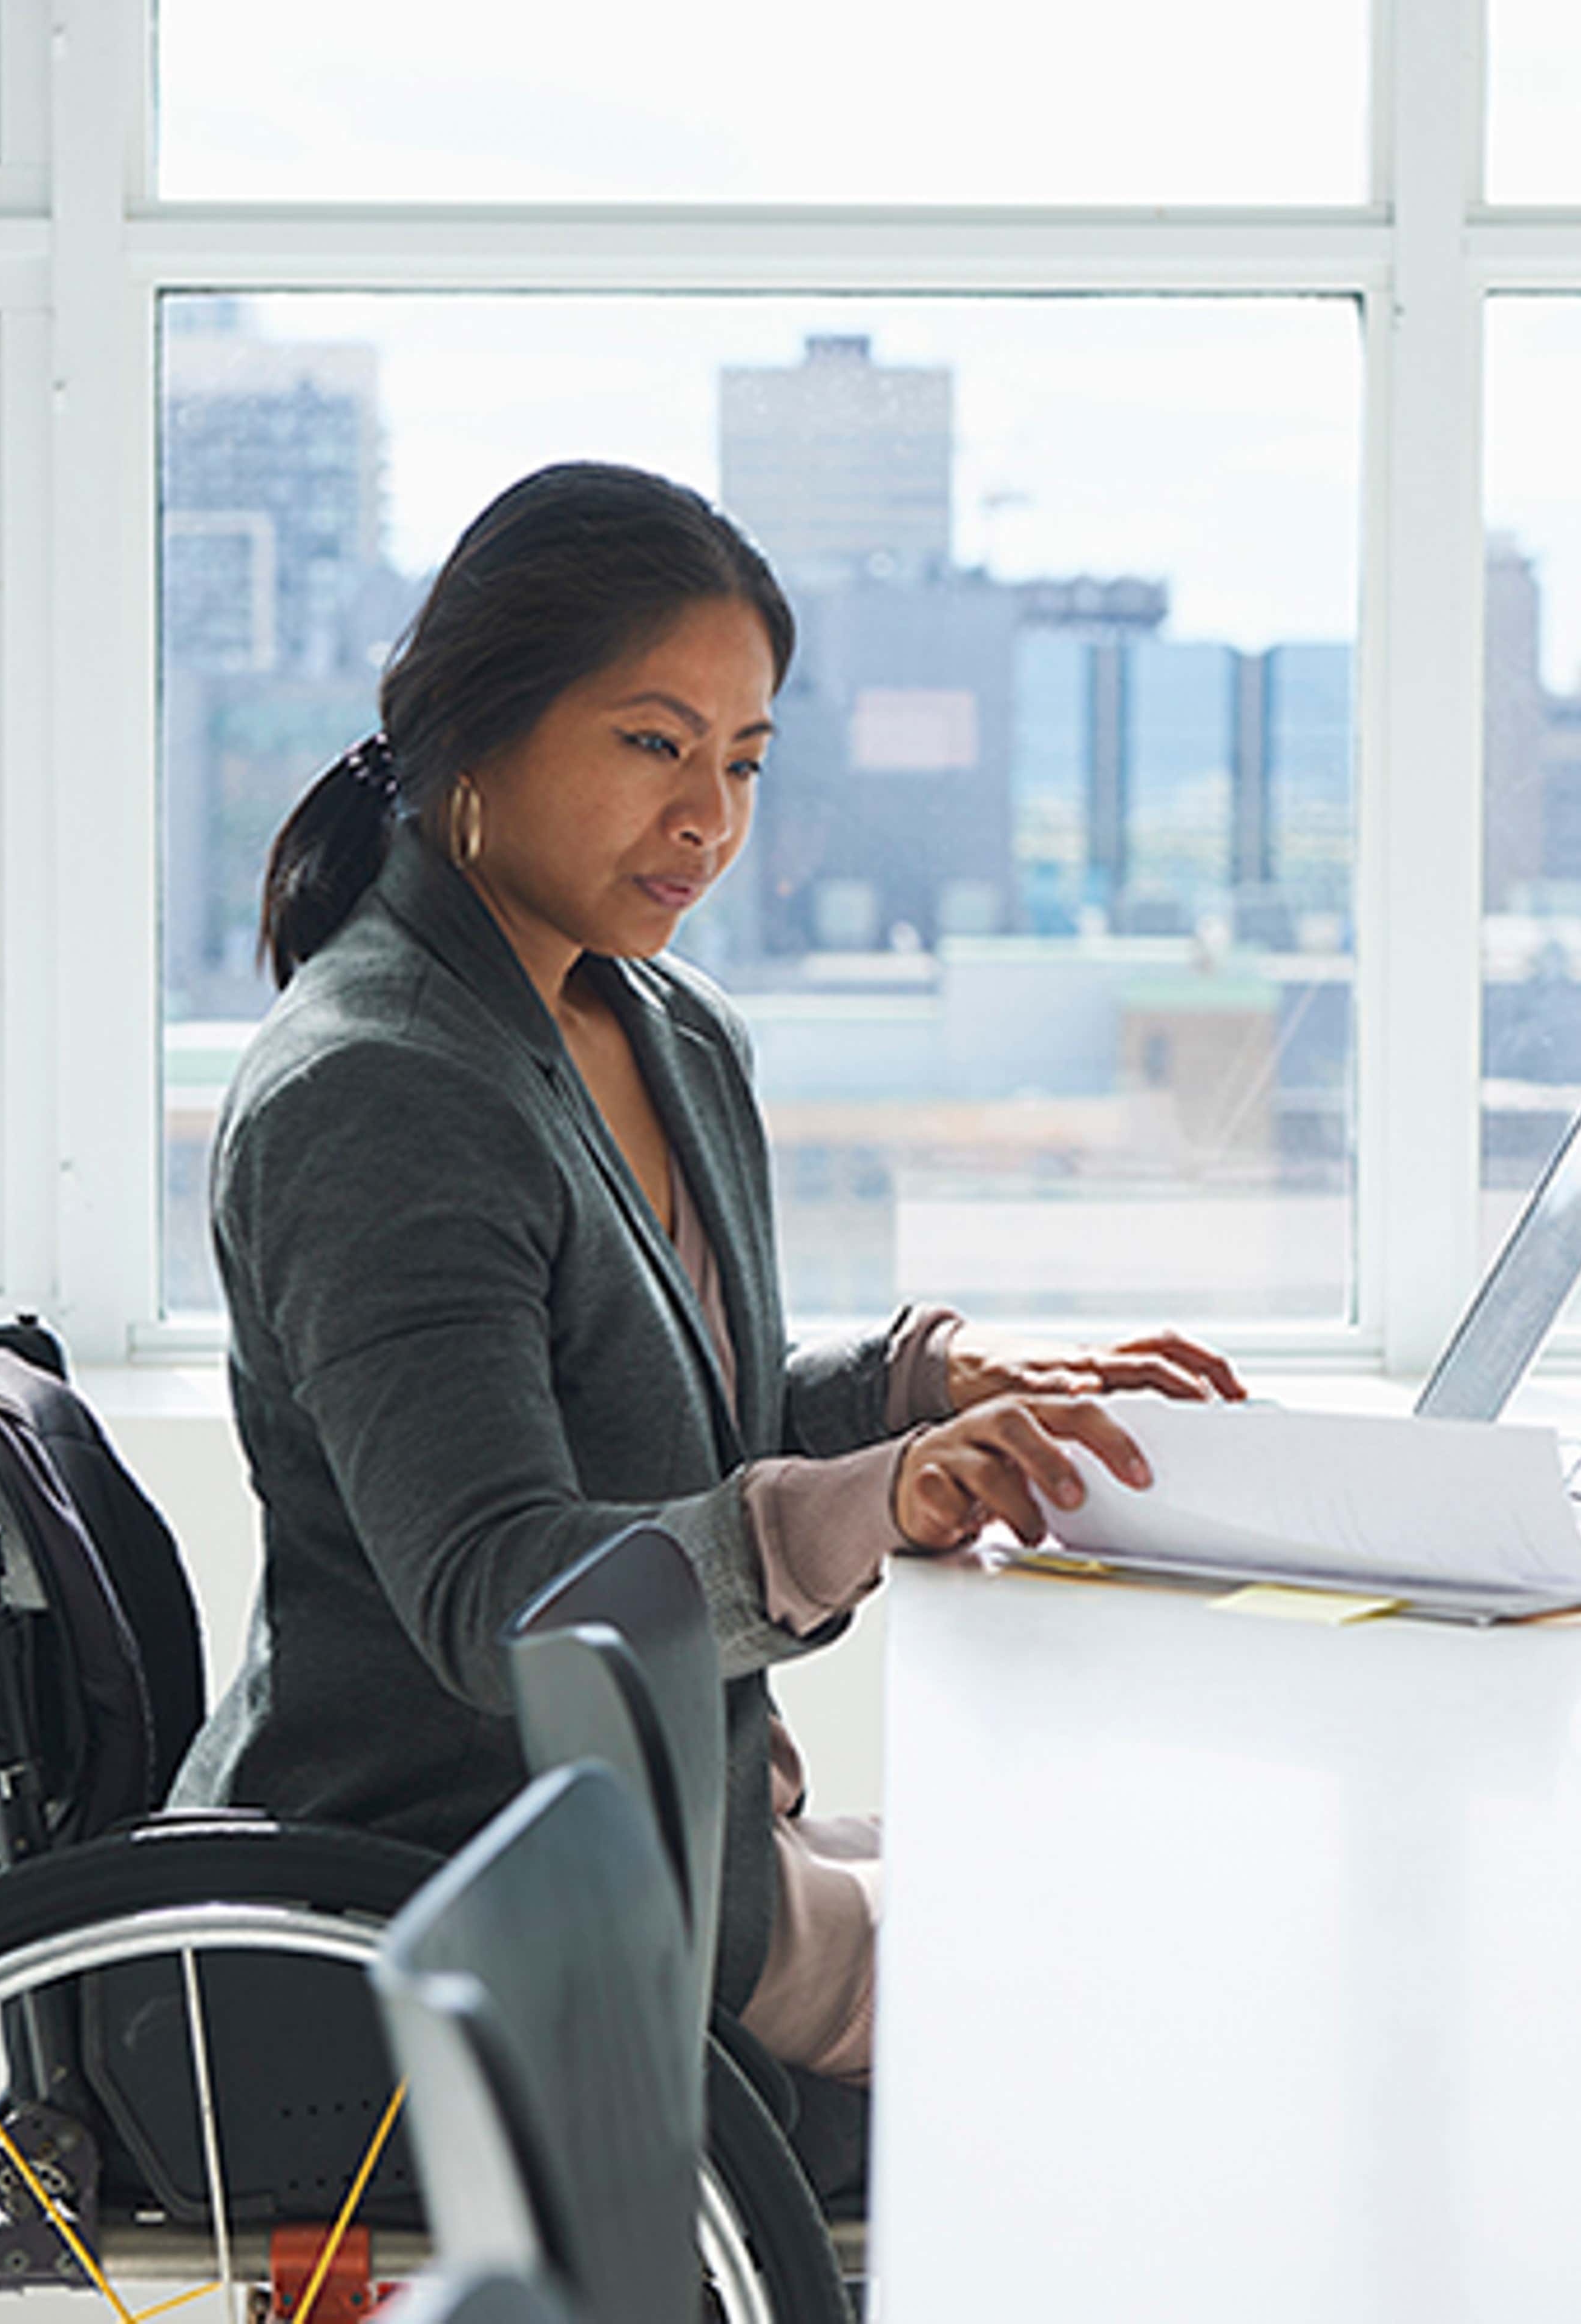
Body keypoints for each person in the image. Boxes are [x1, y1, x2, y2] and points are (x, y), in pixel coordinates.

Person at [170, 461, 1243, 2194]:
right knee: (1163, 2015)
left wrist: (935, 1388)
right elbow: (502, 1595)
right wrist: (887, 1496)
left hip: (703, 1843)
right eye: (652, 744)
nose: (711, 819)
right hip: (486, 1896)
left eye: (743, 761)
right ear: (473, 735)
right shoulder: (378, 1088)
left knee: (1169, 1893)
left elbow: (670, 1426)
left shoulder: (664, 1029)